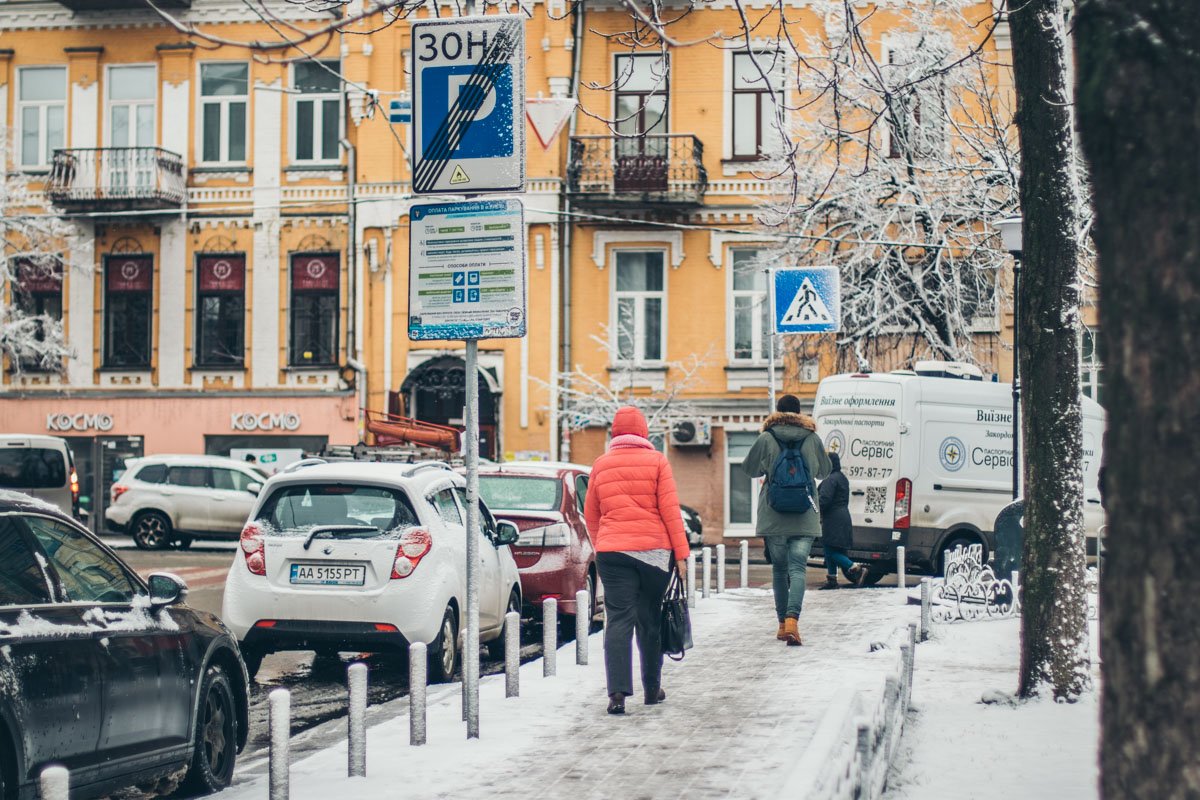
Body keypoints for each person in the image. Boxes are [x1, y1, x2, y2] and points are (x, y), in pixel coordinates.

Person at [584, 406, 690, 715]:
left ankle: (617, 694)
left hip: (613, 553)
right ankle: (652, 689)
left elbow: (592, 514)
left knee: (618, 620)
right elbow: (671, 511)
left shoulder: (601, 465)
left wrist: (602, 541)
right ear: (643, 432)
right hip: (654, 555)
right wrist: (681, 555)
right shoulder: (658, 462)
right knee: (650, 619)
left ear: (615, 433)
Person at [742, 394, 831, 646]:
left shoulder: (767, 437)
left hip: (774, 515)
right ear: (799, 413)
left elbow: (749, 469)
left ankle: (782, 625)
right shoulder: (812, 438)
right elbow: (825, 471)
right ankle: (793, 620)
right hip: (804, 514)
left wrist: (767, 466)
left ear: (777, 412)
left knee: (779, 570)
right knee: (798, 569)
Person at [817, 452, 867, 589]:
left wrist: (815, 508)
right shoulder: (841, 478)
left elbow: (824, 500)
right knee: (831, 548)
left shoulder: (830, 479)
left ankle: (856, 568)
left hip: (833, 518)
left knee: (831, 551)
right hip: (842, 516)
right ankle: (832, 579)